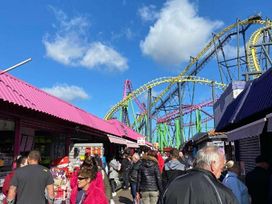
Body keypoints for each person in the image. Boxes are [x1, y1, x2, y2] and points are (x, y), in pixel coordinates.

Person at [161, 146, 238, 204]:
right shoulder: (223, 193)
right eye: (222, 166)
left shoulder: (171, 185)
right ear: (213, 165)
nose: (223, 170)